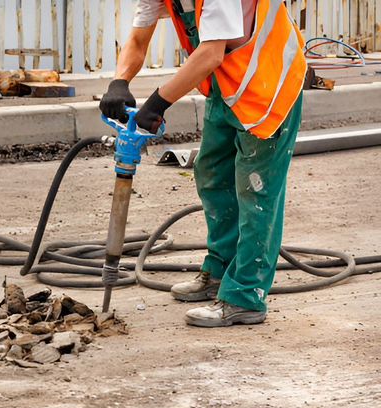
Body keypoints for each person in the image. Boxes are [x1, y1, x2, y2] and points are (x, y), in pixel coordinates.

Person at [100, 0, 306, 327]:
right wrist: (119, 81)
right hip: (225, 87)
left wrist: (156, 104)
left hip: (269, 86)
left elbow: (211, 53)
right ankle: (219, 271)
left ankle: (246, 296)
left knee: (256, 192)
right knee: (210, 174)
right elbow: (138, 40)